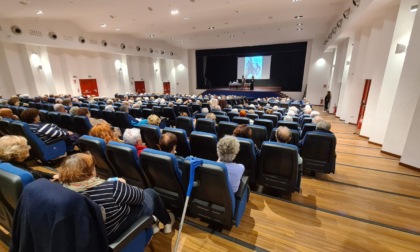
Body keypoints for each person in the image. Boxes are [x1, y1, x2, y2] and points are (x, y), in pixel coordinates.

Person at [59, 153, 175, 241]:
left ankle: (153, 224)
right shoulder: (112, 188)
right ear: (88, 172)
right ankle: (167, 224)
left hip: (97, 237)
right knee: (150, 193)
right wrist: (123, 186)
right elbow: (140, 197)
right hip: (116, 232)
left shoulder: (63, 191)